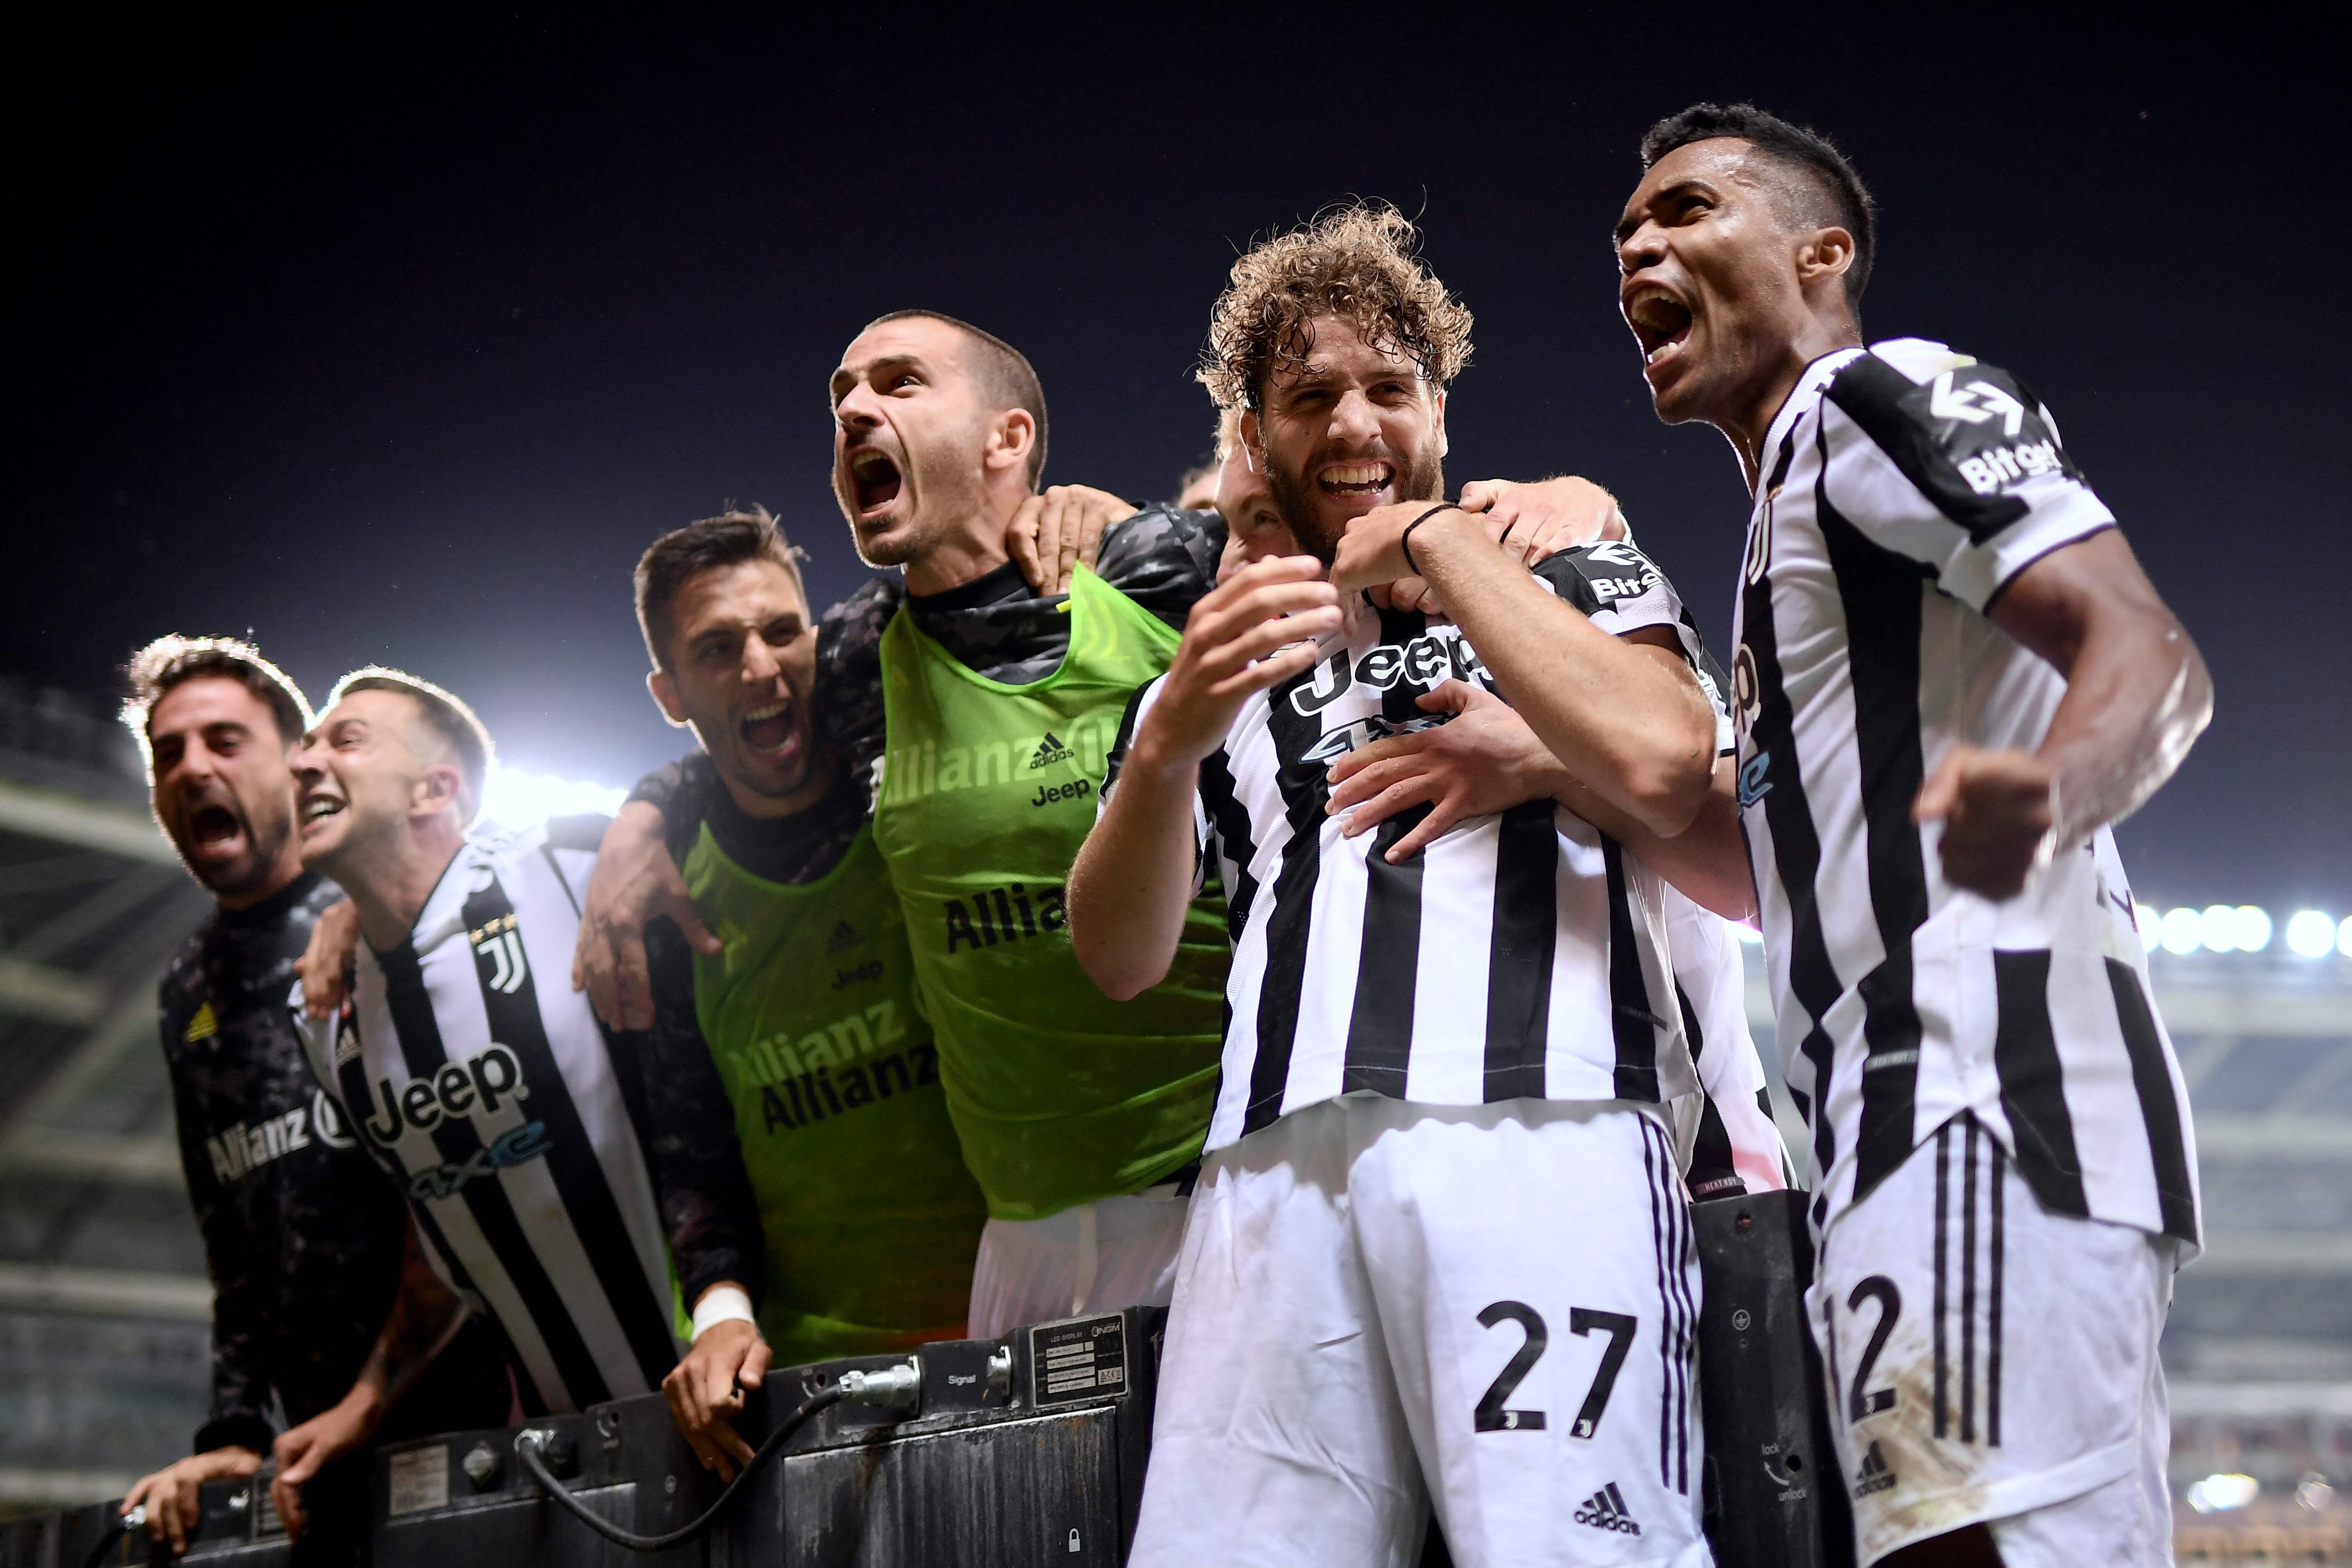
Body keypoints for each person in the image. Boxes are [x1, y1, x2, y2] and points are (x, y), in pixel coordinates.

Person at [587, 312, 1626, 1337]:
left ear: (1010, 441)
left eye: (898, 385)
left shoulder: (1161, 565)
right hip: (1021, 1234)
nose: (854, 408)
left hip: (1222, 1172)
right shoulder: (856, 657)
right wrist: (639, 825)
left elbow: (1363, 536)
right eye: (841, 396)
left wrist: (1560, 506)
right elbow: (736, 730)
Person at [1071, 204, 1728, 1567]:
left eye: (1387, 387)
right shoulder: (1223, 657)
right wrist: (1166, 740)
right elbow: (1117, 955)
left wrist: (1478, 627)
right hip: (1265, 1172)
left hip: (1538, 1124)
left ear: (1440, 406)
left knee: (1575, 1551)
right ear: (1255, 435)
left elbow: (1690, 787)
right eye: (1310, 397)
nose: (1354, 425)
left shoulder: (1574, 566)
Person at [1614, 103, 2208, 1566]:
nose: (1639, 242)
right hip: (1898, 1122)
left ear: (1820, 254)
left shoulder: (1873, 396)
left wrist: (2056, 788)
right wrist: (1565, 766)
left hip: (1983, 1100)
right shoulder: (1783, 531)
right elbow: (1761, 871)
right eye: (1627, 229)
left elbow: (2147, 651)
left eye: (1688, 210)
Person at [283, 668, 717, 1525]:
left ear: (435, 789)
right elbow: (447, 1227)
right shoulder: (323, 1016)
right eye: (305, 746)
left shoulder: (569, 862)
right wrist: (368, 1399)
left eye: (346, 740)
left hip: (751, 1388)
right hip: (583, 1471)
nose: (304, 763)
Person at [114, 638, 506, 1559]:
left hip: (479, 1423)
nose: (193, 767)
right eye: (169, 753)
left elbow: (460, 1191)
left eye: (223, 739)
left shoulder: (393, 907)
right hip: (314, 1466)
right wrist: (234, 1434)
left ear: (297, 759)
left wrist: (358, 911)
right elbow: (235, 1246)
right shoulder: (187, 984)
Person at [628, 506, 989, 1479]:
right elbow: (687, 1148)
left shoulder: (913, 781)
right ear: (670, 693)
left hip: (1022, 1310)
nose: (760, 667)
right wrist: (720, 1318)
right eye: (715, 648)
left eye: (781, 630)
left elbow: (958, 566)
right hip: (817, 1381)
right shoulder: (666, 893)